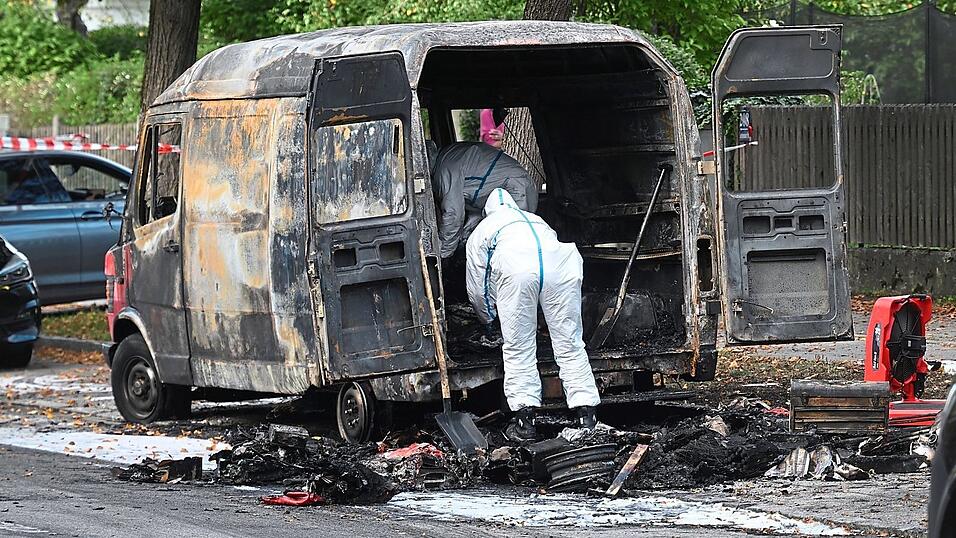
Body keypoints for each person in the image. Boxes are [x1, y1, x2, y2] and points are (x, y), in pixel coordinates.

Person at [465, 188, 600, 441]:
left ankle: (525, 423)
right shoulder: (536, 219)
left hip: (516, 271)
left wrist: (488, 319)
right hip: (562, 266)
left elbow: (477, 286)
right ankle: (587, 415)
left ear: (487, 210)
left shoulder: (483, 229)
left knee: (519, 346)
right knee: (570, 342)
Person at [431, 142, 537, 259]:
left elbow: (453, 214)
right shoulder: (448, 155)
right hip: (517, 186)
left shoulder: (446, 168)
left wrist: (442, 254)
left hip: (514, 191)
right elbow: (476, 198)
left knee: (507, 251)